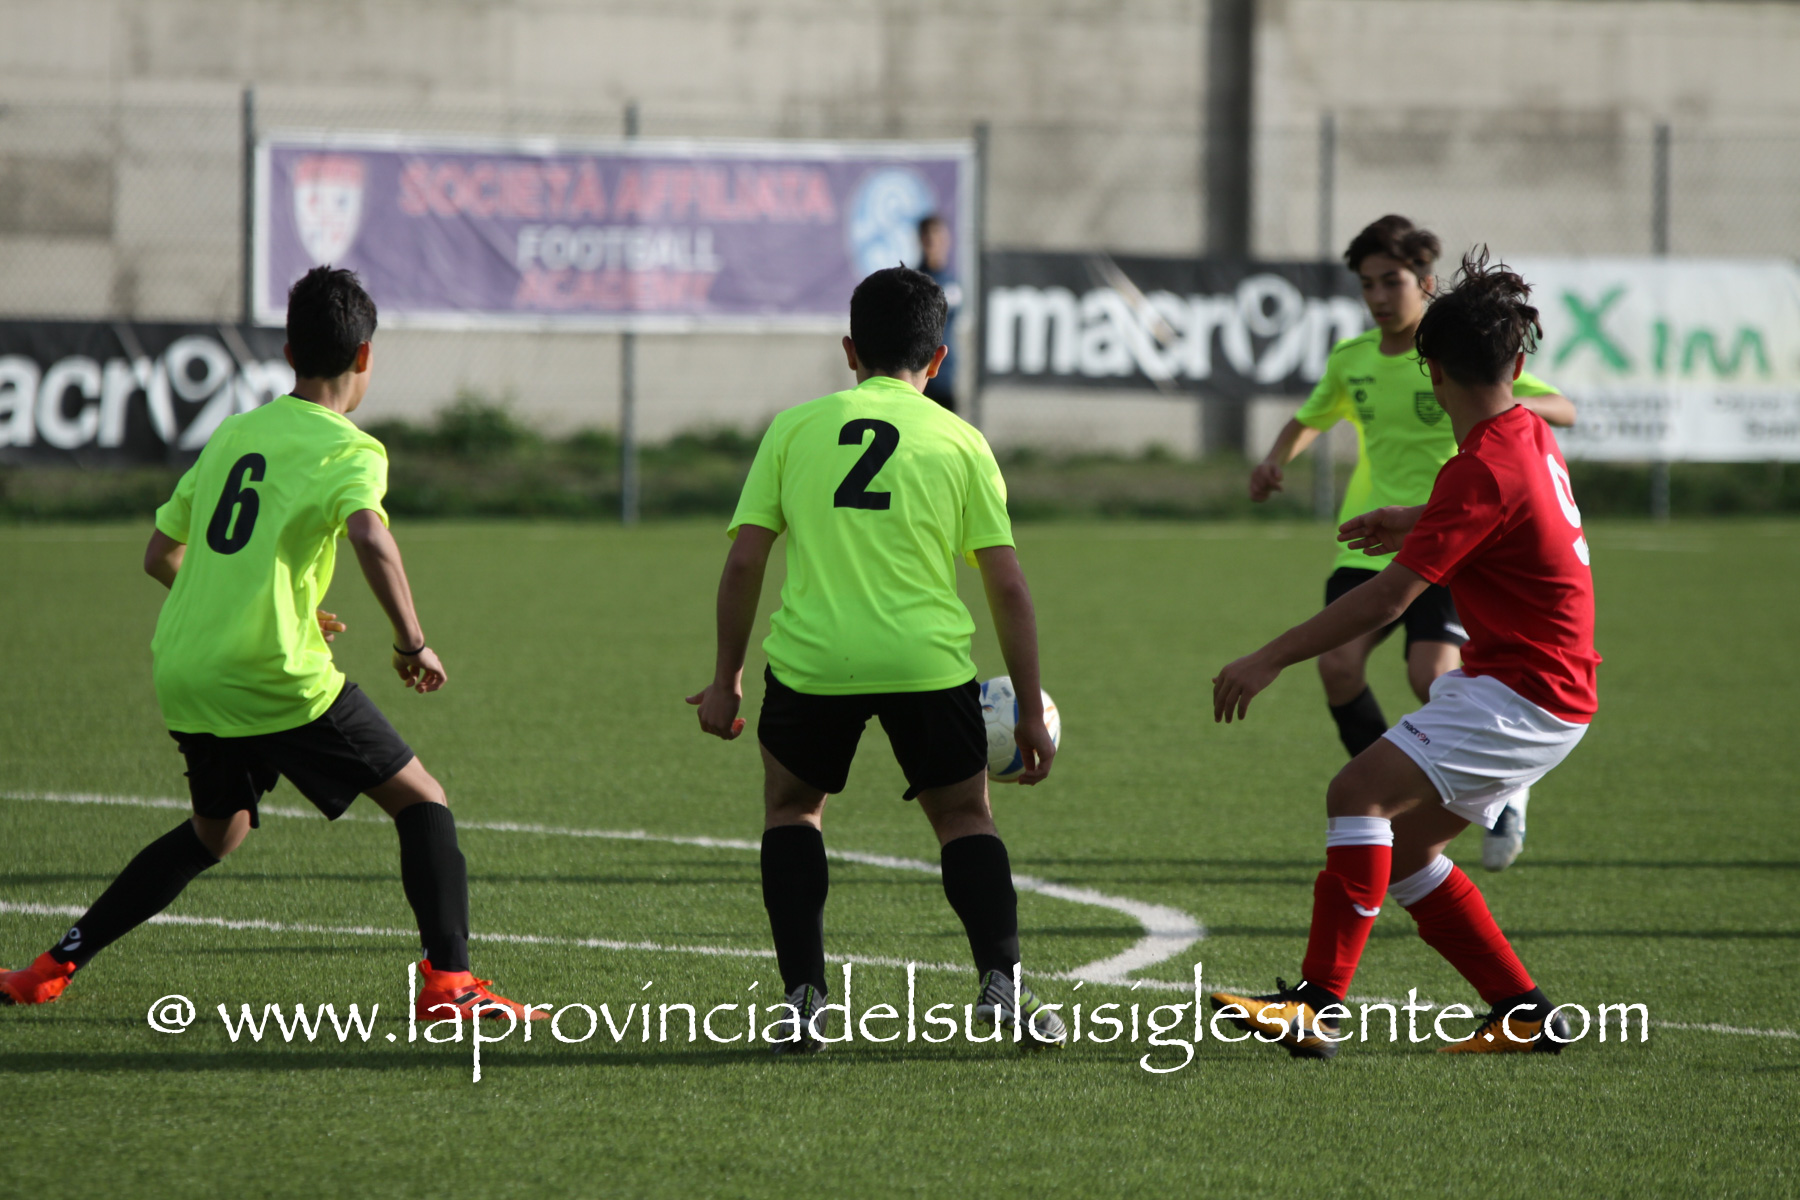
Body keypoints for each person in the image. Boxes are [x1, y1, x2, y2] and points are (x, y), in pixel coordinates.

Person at [1, 267, 542, 1024]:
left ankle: (47, 969)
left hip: (187, 669)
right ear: (365, 356)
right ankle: (450, 984)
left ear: (288, 353)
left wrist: (270, 605)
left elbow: (160, 555)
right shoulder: (351, 449)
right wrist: (411, 642)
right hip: (273, 676)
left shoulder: (235, 432)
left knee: (215, 833)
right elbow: (371, 539)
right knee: (422, 800)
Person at [1208, 251, 1600, 1060]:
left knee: (1356, 791)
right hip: (1547, 691)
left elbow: (1387, 599)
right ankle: (1524, 1013)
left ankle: (1316, 1006)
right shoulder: (1524, 430)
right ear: (1516, 367)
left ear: (1433, 373)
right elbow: (1502, 506)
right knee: (1412, 851)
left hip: (1523, 694)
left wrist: (1267, 658)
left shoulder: (1478, 467)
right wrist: (1414, 516)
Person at [687, 265, 1065, 1054]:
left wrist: (726, 678)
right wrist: (1030, 707)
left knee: (794, 811)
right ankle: (1002, 982)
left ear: (849, 350)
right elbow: (1008, 586)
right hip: (926, 663)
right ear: (938, 358)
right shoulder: (961, 440)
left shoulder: (794, 428)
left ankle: (803, 1000)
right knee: (965, 818)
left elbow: (746, 561)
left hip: (813, 663)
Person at [1250, 215, 1576, 871]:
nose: (1377, 296)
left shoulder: (1463, 354)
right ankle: (1390, 795)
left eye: (1390, 281)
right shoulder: (1353, 359)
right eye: (1367, 284)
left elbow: (1560, 408)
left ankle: (1498, 789)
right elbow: (1310, 416)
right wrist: (1275, 459)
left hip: (1455, 542)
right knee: (1338, 668)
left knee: (1431, 677)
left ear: (1426, 281)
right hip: (1368, 540)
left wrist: (1502, 406)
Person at [915, 214, 963, 413]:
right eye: (928, 238)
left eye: (938, 237)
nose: (933, 243)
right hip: (918, 373)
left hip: (945, 373)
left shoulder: (953, 282)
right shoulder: (914, 281)